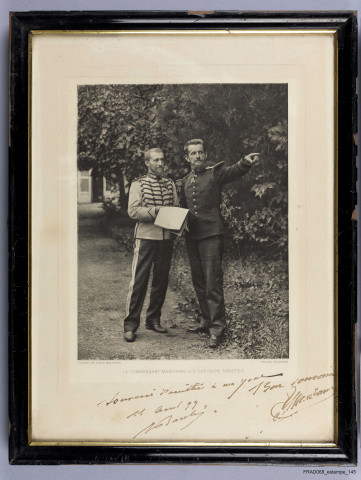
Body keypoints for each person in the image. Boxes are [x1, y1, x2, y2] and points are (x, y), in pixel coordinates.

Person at [180, 139, 259, 348]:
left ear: (205, 155)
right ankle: (205, 320)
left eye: (200, 153)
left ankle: (217, 328)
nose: (197, 156)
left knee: (212, 282)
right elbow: (181, 210)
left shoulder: (214, 174)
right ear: (187, 158)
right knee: (198, 281)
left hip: (211, 236)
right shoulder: (185, 181)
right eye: (193, 153)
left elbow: (232, 172)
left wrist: (245, 162)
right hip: (192, 238)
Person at [123, 147, 178, 342]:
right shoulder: (138, 184)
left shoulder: (170, 184)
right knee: (139, 282)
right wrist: (156, 211)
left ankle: (153, 320)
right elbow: (133, 211)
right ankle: (130, 325)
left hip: (165, 239)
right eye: (155, 160)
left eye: (162, 160)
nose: (160, 163)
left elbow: (176, 208)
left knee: (161, 281)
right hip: (146, 238)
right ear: (147, 163)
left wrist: (177, 221)